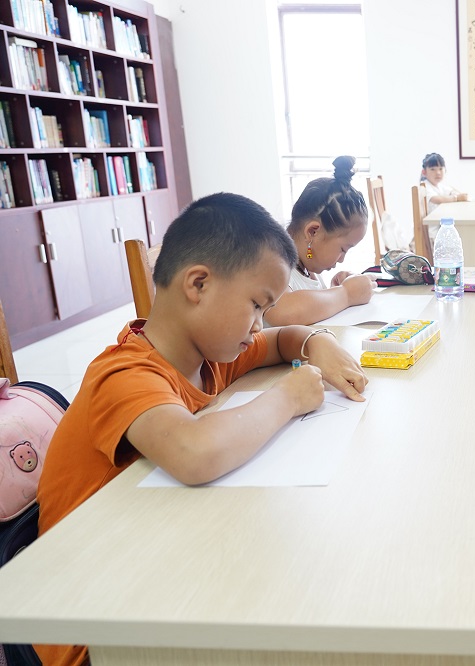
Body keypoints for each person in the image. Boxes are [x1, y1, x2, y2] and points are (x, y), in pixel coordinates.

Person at [34, 193, 369, 666]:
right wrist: (290, 397)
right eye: (256, 305)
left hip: (154, 570)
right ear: (198, 284)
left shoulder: (208, 355)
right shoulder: (125, 375)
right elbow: (194, 452)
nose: (258, 326)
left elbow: (280, 341)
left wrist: (317, 340)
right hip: (93, 629)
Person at [265, 155, 376, 326]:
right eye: (343, 249)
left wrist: (332, 291)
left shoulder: (307, 266)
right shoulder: (272, 261)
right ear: (312, 232)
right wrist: (346, 294)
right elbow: (284, 312)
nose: (342, 259)